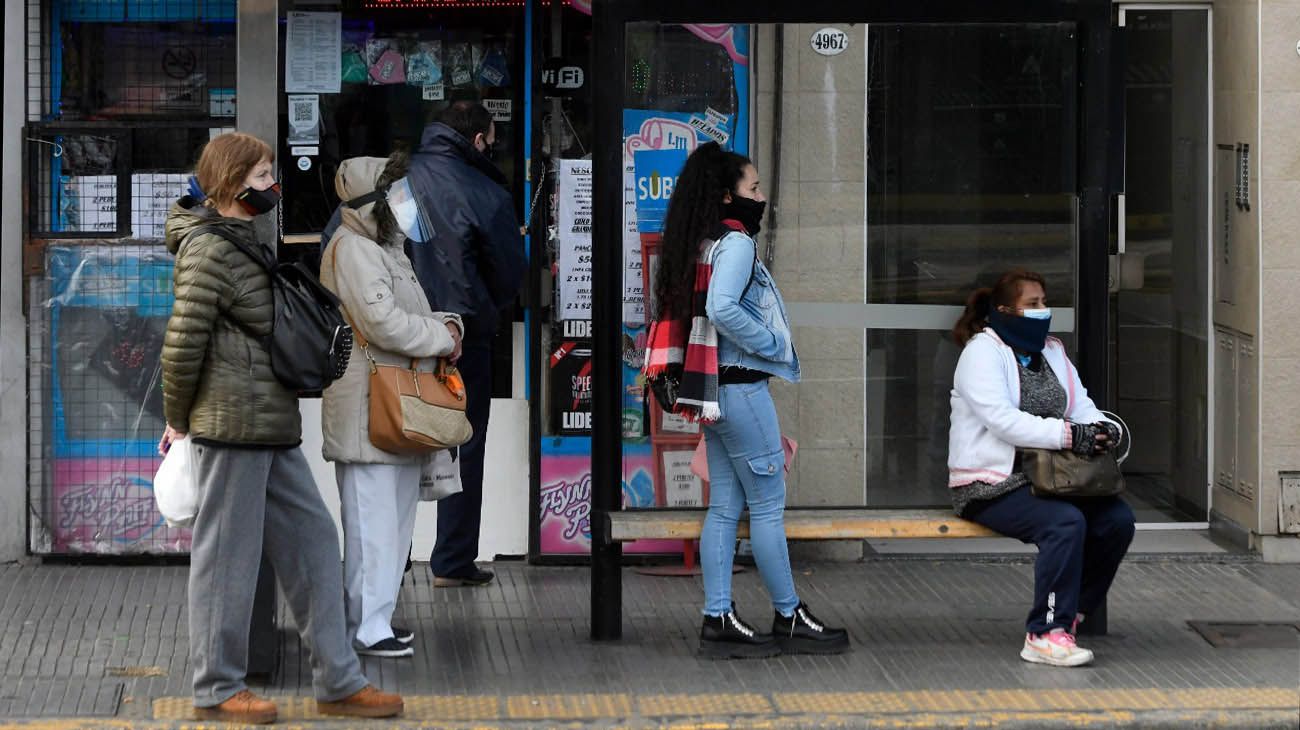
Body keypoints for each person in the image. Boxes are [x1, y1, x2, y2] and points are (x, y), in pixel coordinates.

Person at [159, 132, 403, 723]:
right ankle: (216, 689)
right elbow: (181, 345)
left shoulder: (241, 241)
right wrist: (178, 425)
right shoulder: (208, 250)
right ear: (235, 182)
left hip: (268, 422)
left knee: (317, 546)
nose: (274, 186)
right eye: (265, 176)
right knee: (227, 563)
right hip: (230, 426)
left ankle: (339, 681)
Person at [652, 142, 850, 659]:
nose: (761, 197)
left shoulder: (699, 243)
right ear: (727, 196)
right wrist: (771, 341)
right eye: (754, 188)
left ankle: (717, 617)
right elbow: (723, 309)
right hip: (740, 389)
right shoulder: (736, 244)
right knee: (766, 507)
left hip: (713, 392)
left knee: (724, 508)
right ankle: (789, 616)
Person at [947, 268, 1135, 668]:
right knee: (1064, 523)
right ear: (1003, 310)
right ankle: (1044, 634)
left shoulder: (1052, 351)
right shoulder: (982, 352)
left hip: (1053, 480)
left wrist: (1103, 429)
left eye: (1044, 302)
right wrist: (1070, 436)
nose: (1042, 311)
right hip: (989, 484)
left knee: (1117, 520)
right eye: (1032, 304)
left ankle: (1070, 615)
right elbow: (1001, 420)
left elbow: (1080, 405)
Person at [320, 153, 464, 658]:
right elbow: (384, 324)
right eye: (395, 195)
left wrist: (447, 328)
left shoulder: (386, 249)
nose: (405, 205)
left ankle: (375, 617)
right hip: (368, 409)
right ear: (372, 203)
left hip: (391, 409)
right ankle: (366, 625)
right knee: (372, 525)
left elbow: (408, 315)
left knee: (392, 523)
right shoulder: (355, 249)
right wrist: (442, 337)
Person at [405, 101, 526, 587]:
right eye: (492, 140)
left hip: (398, 335)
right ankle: (451, 561)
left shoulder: (397, 183)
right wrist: (484, 310)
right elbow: (510, 271)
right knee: (463, 445)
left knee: (392, 447)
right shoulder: (487, 192)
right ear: (478, 140)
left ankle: (390, 567)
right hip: (466, 338)